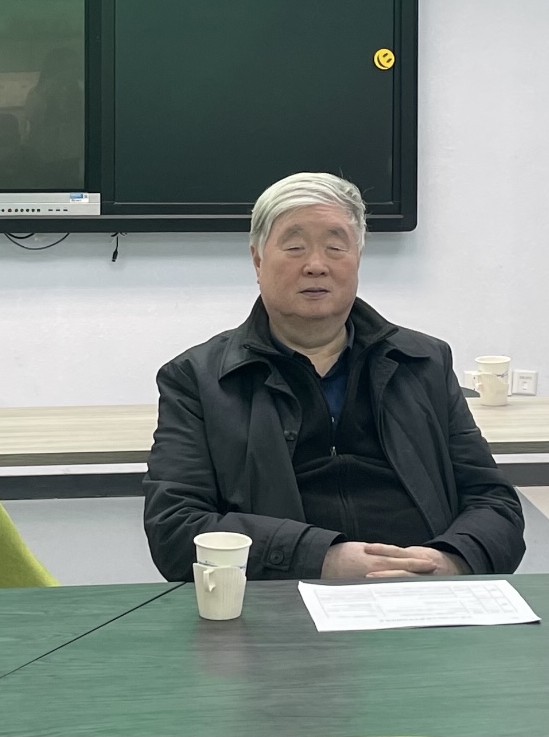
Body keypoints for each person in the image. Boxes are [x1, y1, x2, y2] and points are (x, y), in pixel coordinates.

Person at [143, 172, 525, 581]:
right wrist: (323, 560)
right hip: (285, 596)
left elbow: (495, 503)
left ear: (357, 258)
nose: (316, 266)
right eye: (294, 247)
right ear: (257, 260)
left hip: (426, 594)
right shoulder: (197, 379)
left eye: (335, 247)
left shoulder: (423, 362)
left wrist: (448, 561)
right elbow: (175, 528)